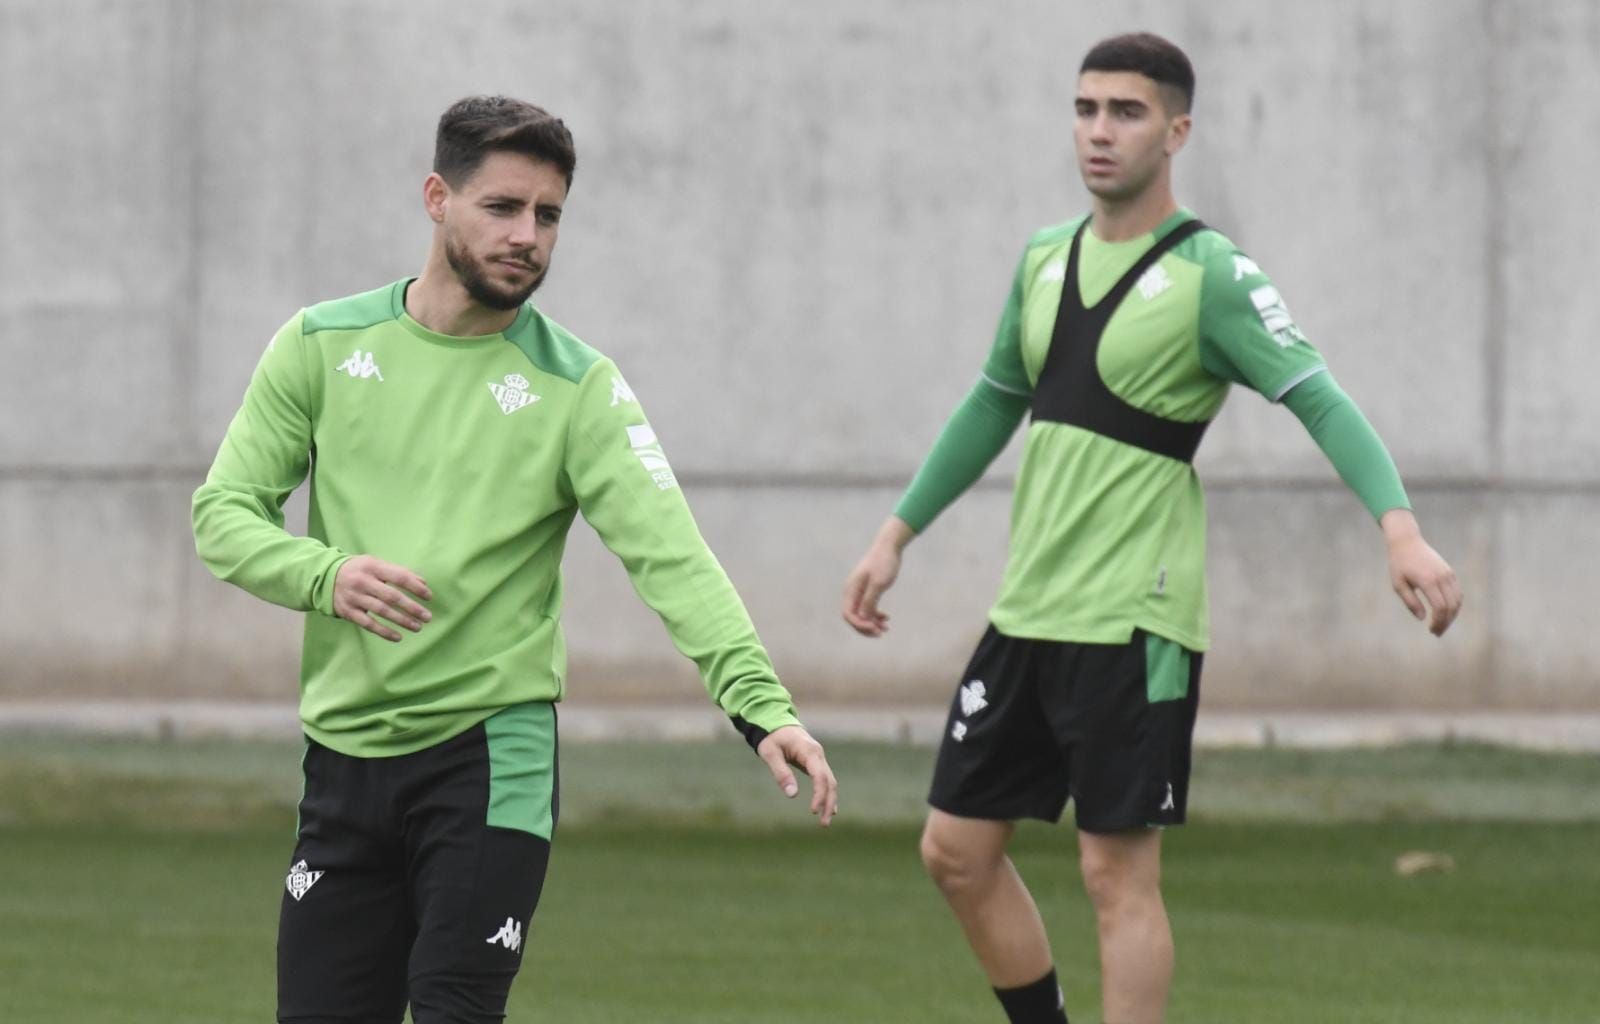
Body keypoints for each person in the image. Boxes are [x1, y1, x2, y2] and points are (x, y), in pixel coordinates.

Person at [841, 32, 1460, 1024]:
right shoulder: (1044, 258)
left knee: (1113, 876)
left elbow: (1321, 399)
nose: (1098, 131)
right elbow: (993, 401)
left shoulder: (1214, 275)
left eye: (1124, 113)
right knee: (954, 854)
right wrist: (895, 532)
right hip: (1029, 609)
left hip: (1136, 622)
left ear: (1176, 131)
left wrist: (1398, 529)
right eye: (1084, 109)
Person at [193, 95, 838, 1023]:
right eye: (503, 207)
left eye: (549, 215)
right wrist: (326, 578)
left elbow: (673, 557)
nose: (528, 235)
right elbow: (224, 514)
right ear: (436, 199)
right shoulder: (320, 346)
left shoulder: (578, 388)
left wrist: (760, 708)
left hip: (489, 759)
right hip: (341, 760)